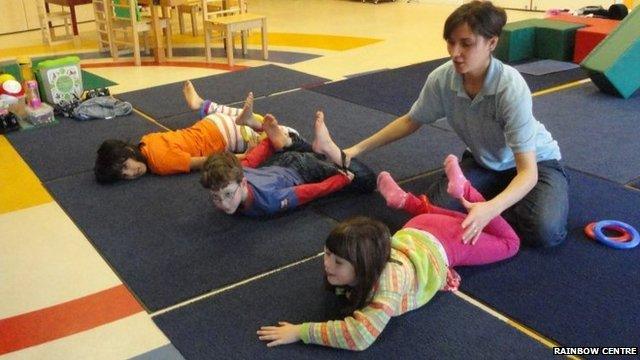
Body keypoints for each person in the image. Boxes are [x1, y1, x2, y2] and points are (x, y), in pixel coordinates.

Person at [341, 1, 568, 247]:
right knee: (434, 212)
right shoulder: (442, 79)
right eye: (450, 42)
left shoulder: (509, 88)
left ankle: (500, 201)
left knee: (544, 230)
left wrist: (491, 209)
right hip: (485, 162)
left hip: (536, 163)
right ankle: (495, 201)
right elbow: (410, 121)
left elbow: (528, 172)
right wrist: (355, 150)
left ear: (491, 43)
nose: (454, 52)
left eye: (466, 44)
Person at [257, 154, 520, 350]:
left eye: (337, 261)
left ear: (364, 265)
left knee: (510, 243)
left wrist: (301, 332)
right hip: (421, 229)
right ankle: (414, 200)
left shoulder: (389, 285)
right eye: (326, 255)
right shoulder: (364, 259)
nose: (327, 265)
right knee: (454, 219)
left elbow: (359, 337)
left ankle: (466, 192)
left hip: (436, 237)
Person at [94, 81, 288, 183]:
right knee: (256, 119)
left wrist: (244, 156)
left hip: (225, 136)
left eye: (125, 165)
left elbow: (206, 161)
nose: (130, 173)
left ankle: (254, 124)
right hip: (210, 124)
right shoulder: (146, 140)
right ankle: (202, 105)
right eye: (123, 175)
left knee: (281, 137)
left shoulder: (161, 164)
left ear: (128, 152)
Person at [200, 111, 375, 217]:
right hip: (281, 162)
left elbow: (308, 192)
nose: (223, 204)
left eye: (228, 194)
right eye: (215, 197)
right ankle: (287, 142)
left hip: (302, 169)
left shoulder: (268, 202)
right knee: (309, 152)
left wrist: (340, 181)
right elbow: (252, 158)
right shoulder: (236, 172)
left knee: (366, 180)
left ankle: (328, 149)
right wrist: (268, 141)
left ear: (243, 182)